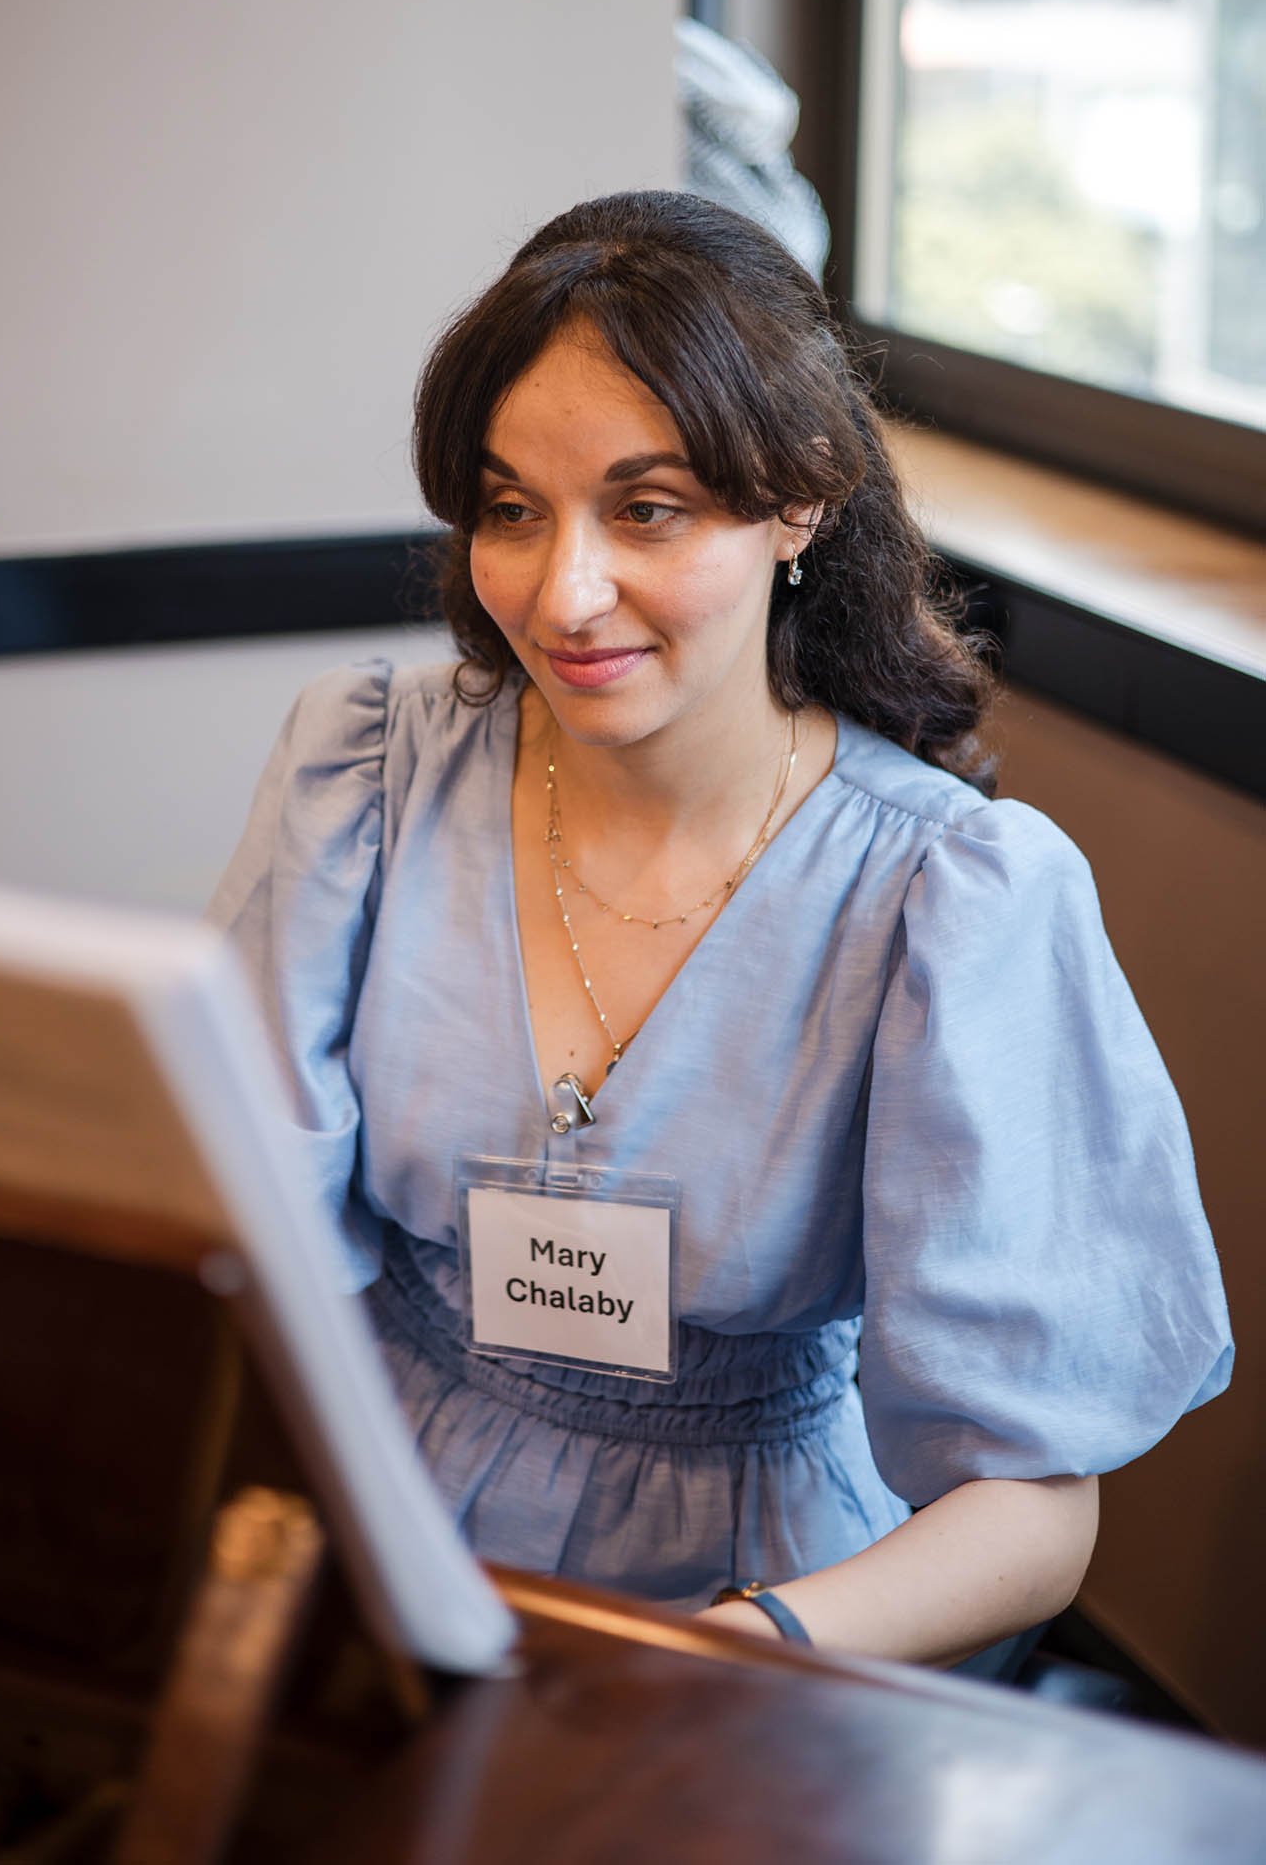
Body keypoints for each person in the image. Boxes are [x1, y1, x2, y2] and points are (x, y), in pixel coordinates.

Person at [210, 190, 1231, 1671]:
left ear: (801, 497)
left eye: (648, 507)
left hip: (767, 1605)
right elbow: (243, 1241)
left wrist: (729, 1658)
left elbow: (1033, 1509)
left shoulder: (951, 896)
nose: (562, 593)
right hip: (382, 1520)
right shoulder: (366, 773)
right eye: (511, 508)